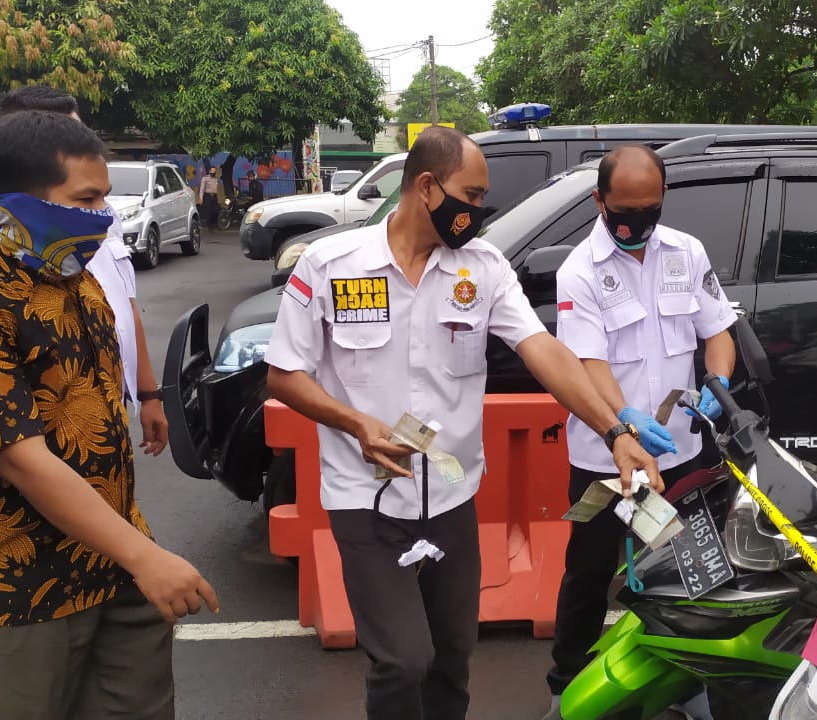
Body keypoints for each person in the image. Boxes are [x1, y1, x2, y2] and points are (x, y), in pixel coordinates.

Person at [265, 125, 664, 720]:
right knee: (403, 659)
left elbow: (543, 351)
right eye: (472, 197)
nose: (479, 211)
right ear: (427, 188)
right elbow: (282, 375)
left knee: (452, 656)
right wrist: (355, 424)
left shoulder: (482, 268)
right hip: (365, 500)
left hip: (452, 501)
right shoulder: (332, 264)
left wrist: (616, 433)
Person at [0, 110, 219, 719]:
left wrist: (134, 550)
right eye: (88, 198)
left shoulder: (82, 287)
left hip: (116, 568)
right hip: (22, 589)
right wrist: (146, 558)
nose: (106, 212)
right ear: (20, 202)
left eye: (105, 196)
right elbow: (24, 463)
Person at [545, 145, 737, 713]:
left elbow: (718, 330)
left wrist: (717, 385)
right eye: (621, 213)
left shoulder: (686, 252)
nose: (633, 225)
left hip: (681, 451)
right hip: (606, 459)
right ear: (598, 200)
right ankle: (565, 682)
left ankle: (692, 681)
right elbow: (587, 362)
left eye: (646, 212)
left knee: (693, 570)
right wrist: (621, 418)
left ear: (663, 200)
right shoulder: (579, 270)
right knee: (589, 571)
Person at [0, 85, 168, 456]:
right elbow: (14, 451)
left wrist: (147, 393)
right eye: (87, 198)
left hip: (102, 419)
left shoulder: (81, 260)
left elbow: (124, 307)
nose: (103, 211)